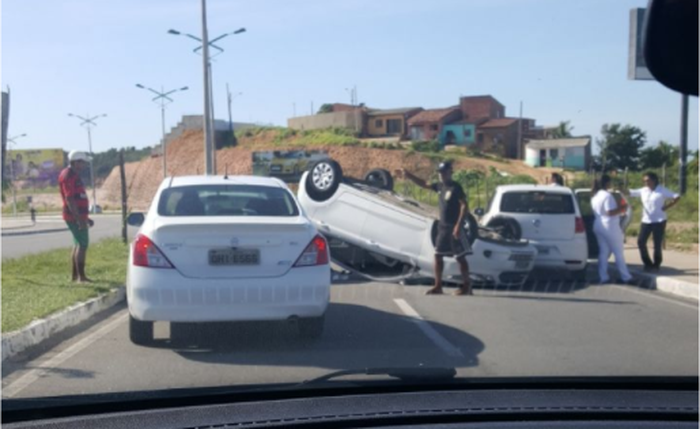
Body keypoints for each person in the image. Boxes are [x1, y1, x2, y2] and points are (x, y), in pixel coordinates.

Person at [396, 162, 473, 296]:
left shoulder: (456, 187)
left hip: (455, 227)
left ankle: (467, 286)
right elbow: (424, 184)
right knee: (437, 256)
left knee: (460, 257)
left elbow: (464, 206)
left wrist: (458, 226)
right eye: (440, 172)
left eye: (444, 172)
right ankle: (438, 286)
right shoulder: (440, 186)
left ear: (450, 172)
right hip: (443, 227)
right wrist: (409, 175)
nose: (441, 174)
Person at [627, 172, 681, 272]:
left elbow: (676, 196)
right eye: (644, 181)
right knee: (641, 242)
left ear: (654, 180)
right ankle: (647, 263)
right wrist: (619, 189)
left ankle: (656, 264)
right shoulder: (643, 190)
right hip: (646, 220)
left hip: (659, 221)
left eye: (648, 180)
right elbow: (630, 192)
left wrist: (667, 206)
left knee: (657, 243)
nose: (646, 183)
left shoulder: (661, 190)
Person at [591, 175, 633, 284]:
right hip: (609, 226)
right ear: (607, 183)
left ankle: (603, 276)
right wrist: (623, 208)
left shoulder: (595, 196)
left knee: (603, 252)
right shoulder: (607, 196)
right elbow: (610, 212)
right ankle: (626, 277)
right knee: (618, 252)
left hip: (598, 224)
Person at [59, 150, 93, 283]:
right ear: (76, 162)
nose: (84, 165)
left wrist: (85, 217)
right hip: (74, 217)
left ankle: (75, 276)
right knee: (83, 245)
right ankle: (81, 277)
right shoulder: (69, 175)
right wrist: (79, 220)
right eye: (83, 162)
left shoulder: (73, 174)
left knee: (78, 244)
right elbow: (70, 198)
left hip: (78, 216)